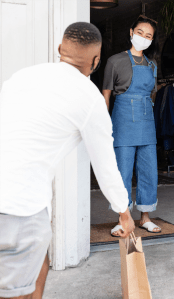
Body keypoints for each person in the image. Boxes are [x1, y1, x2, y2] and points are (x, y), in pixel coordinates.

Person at [0, 22, 135, 299]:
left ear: (60, 49)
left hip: (19, 204)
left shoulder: (22, 77)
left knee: (42, 263)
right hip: (18, 210)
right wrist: (124, 212)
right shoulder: (90, 99)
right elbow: (105, 165)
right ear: (96, 61)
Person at [102, 15, 162, 236]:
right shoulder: (114, 61)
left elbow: (152, 95)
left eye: (148, 36)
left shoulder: (152, 65)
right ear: (131, 32)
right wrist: (105, 125)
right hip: (123, 120)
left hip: (146, 121)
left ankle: (145, 217)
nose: (143, 38)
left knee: (148, 171)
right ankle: (122, 219)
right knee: (122, 170)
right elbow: (105, 95)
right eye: (140, 33)